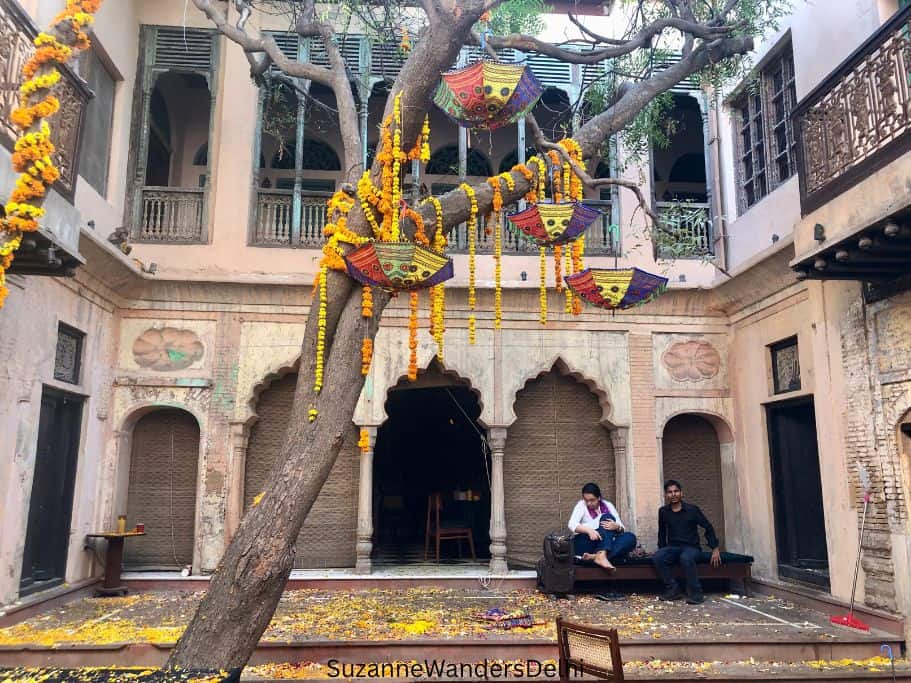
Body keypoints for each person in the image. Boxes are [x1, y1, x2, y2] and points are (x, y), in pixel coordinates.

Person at [653, 479, 721, 604]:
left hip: (692, 548)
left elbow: (708, 526)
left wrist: (715, 548)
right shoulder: (663, 511)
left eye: (676, 491)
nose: (673, 494)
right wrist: (661, 549)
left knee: (686, 558)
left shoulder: (692, 510)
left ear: (681, 493)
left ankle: (696, 593)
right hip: (673, 547)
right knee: (658, 557)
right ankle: (673, 589)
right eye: (670, 492)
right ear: (666, 495)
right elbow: (662, 533)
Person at [567, 482, 637, 571]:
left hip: (605, 543)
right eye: (586, 500)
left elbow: (621, 528)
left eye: (592, 500)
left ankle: (597, 556)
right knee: (607, 517)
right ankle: (602, 555)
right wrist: (589, 530)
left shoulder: (608, 505)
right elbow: (572, 524)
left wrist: (617, 527)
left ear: (599, 498)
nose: (589, 503)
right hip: (587, 542)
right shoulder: (581, 505)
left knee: (630, 537)